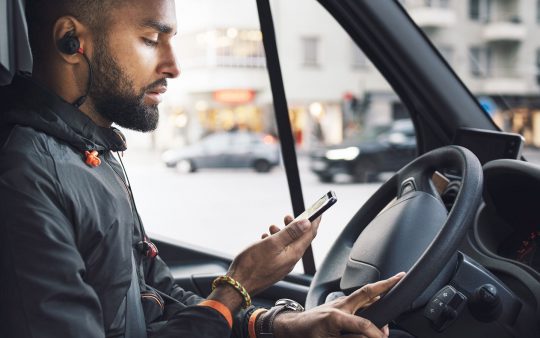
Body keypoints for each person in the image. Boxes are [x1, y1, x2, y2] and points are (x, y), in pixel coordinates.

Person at [0, 0, 406, 337]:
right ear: (71, 41)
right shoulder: (26, 174)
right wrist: (237, 286)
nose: (173, 66)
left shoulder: (94, 152)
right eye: (150, 40)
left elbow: (156, 299)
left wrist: (281, 325)